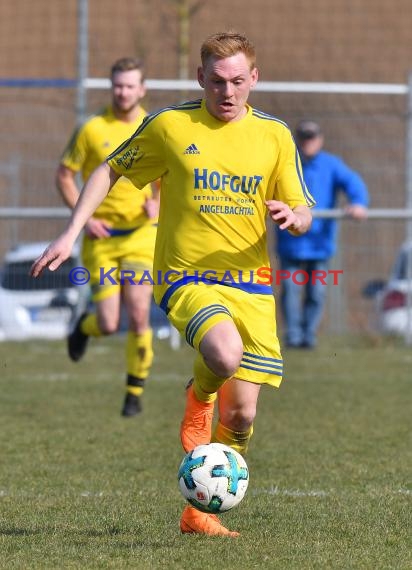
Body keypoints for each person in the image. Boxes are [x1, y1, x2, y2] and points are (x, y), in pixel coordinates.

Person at [31, 31, 314, 536]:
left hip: (252, 284)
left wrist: (293, 216)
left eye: (238, 82)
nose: (227, 93)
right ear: (200, 78)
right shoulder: (169, 125)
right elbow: (108, 171)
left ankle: (198, 514)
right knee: (223, 356)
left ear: (255, 79)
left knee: (244, 414)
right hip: (186, 276)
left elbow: (304, 208)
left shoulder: (274, 135)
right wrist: (70, 232)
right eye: (217, 81)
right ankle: (200, 393)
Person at [55, 57, 159, 417]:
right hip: (101, 238)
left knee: (140, 313)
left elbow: (167, 173)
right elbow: (65, 175)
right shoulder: (91, 128)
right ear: (111, 86)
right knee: (109, 322)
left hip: (140, 236)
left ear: (142, 89)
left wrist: (158, 202)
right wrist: (86, 219)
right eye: (118, 85)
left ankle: (133, 393)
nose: (123, 91)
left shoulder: (154, 126)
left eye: (130, 85)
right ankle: (83, 328)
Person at [275, 119, 369, 349]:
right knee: (289, 290)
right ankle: (293, 335)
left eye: (312, 138)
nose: (308, 143)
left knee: (316, 292)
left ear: (320, 139)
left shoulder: (331, 164)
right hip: (290, 242)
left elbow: (353, 182)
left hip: (320, 244)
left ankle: (308, 335)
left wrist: (358, 202)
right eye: (304, 138)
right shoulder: (287, 161)